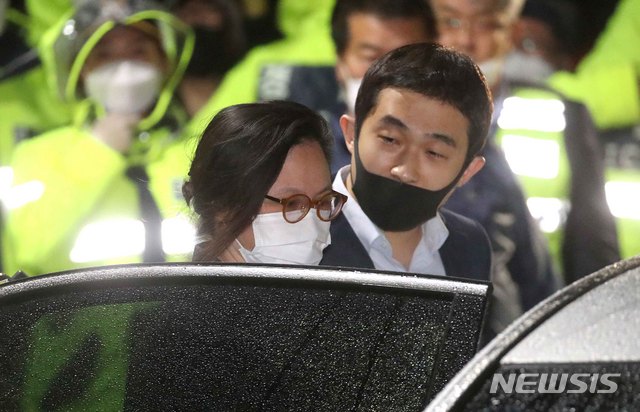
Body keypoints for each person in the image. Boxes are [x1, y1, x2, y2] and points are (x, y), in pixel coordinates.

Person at [431, 0, 619, 329]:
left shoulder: (565, 113)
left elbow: (592, 243)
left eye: (486, 25)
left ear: (512, 32)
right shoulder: (397, 119)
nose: (466, 40)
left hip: (537, 324)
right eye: (452, 22)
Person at [1, 0, 194, 276]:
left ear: (165, 62)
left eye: (139, 51)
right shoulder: (38, 153)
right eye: (104, 55)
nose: (124, 67)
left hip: (190, 304)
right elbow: (31, 252)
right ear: (80, 71)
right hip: (83, 306)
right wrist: (98, 150)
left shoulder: (195, 150)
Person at [320, 42, 493, 283]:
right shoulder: (297, 230)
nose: (405, 170)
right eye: (390, 139)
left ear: (468, 171)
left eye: (434, 152)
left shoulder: (471, 246)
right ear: (351, 134)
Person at [259, 0, 437, 174]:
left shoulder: (450, 152)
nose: (388, 73)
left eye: (406, 58)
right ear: (340, 61)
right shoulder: (298, 153)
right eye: (370, 57)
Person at [183, 100, 347, 264]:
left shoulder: (343, 275)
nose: (311, 224)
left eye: (323, 202)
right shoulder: (186, 282)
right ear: (223, 207)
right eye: (292, 203)